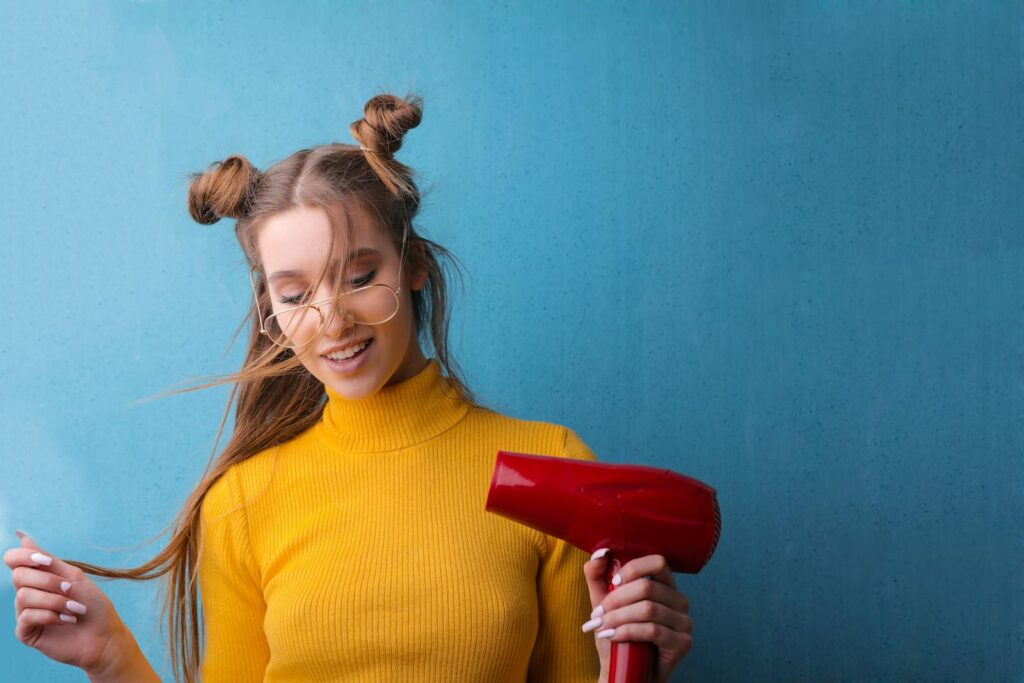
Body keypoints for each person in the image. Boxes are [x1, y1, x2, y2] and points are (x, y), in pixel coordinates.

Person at [3, 92, 695, 682]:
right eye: (295, 294)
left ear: (413, 264)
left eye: (360, 276)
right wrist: (113, 659)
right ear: (272, 308)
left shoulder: (553, 467)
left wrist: (631, 667)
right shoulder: (241, 503)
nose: (332, 320)